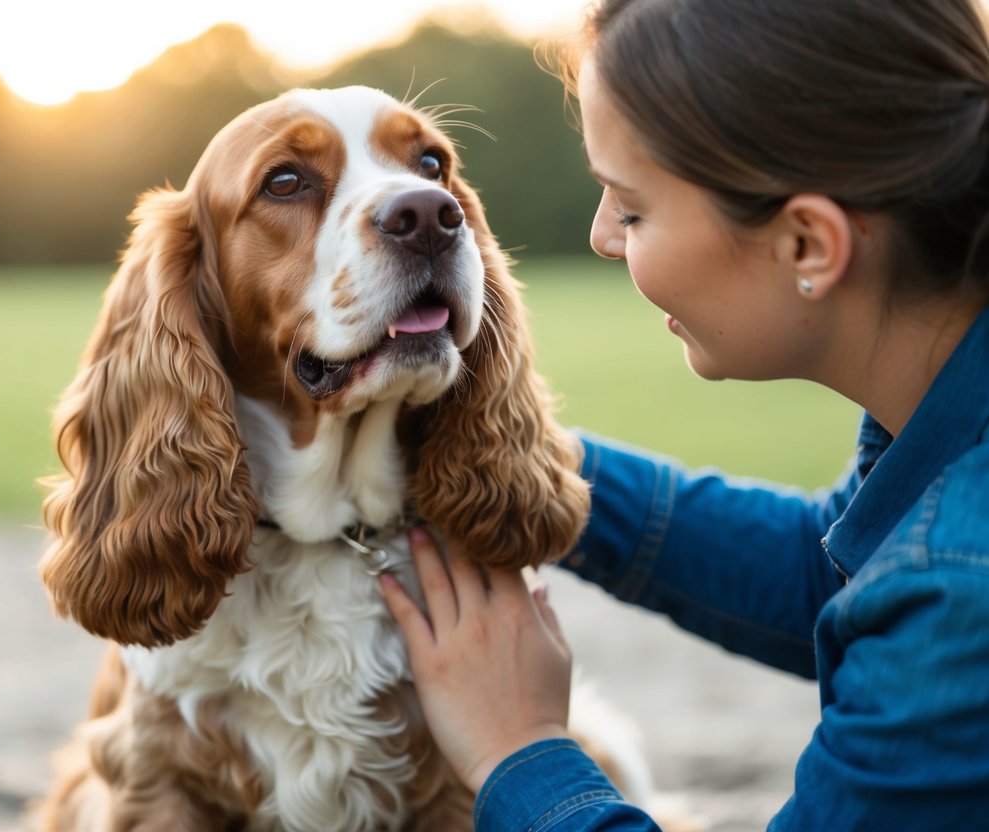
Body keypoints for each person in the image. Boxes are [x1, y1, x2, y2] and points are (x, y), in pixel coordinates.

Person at [377, 0, 989, 829]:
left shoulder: (958, 592)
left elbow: (918, 595)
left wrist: (514, 750)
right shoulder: (944, 439)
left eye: (630, 209)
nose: (602, 236)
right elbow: (829, 571)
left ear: (808, 244)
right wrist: (517, 458)